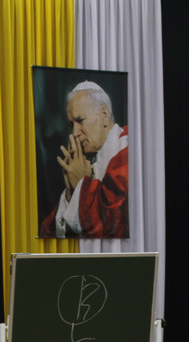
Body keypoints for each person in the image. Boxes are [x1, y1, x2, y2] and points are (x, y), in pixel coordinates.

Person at [39, 81, 129, 239]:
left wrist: (82, 184)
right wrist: (70, 194)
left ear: (104, 115)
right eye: (71, 124)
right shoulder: (87, 160)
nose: (75, 133)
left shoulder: (127, 153)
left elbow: (114, 228)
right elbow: (46, 233)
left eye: (80, 120)